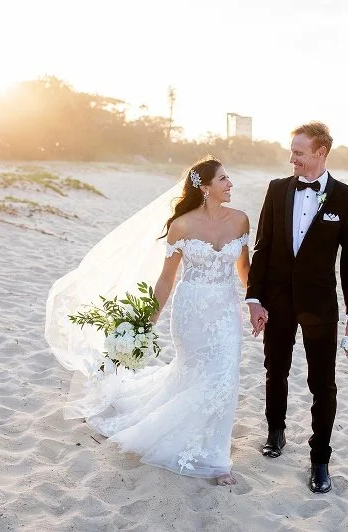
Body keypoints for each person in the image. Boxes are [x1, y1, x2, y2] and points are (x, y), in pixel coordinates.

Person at [46, 156, 250, 486]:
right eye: (224, 179)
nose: (230, 184)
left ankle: (213, 450)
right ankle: (213, 458)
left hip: (226, 310)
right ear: (206, 187)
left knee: (224, 374)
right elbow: (167, 279)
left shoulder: (241, 220)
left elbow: (244, 271)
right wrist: (147, 321)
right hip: (191, 310)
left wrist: (257, 303)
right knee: (197, 373)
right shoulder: (181, 226)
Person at [246, 121, 348, 493]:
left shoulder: (346, 196)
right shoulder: (277, 190)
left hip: (320, 305)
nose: (291, 158)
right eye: (291, 151)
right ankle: (275, 431)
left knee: (322, 384)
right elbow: (263, 246)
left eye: (298, 152)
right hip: (277, 300)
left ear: (320, 152)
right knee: (274, 369)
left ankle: (320, 460)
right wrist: (254, 298)